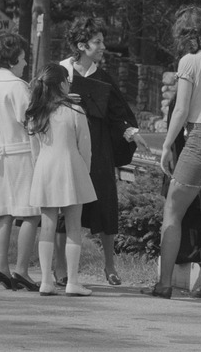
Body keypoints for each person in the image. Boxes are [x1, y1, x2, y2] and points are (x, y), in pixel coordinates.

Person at [142, 5, 201, 300]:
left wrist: (166, 145)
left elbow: (181, 109)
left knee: (172, 211)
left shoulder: (189, 61)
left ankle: (164, 284)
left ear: (185, 34)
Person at [55, 18, 150, 287]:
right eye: (97, 42)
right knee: (64, 207)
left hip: (98, 149)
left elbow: (118, 114)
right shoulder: (60, 73)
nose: (103, 47)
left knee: (105, 205)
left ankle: (109, 265)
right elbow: (41, 104)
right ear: (81, 45)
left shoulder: (104, 78)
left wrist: (132, 133)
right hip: (67, 148)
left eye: (102, 41)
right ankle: (60, 267)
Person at [0, 33, 40, 291]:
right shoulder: (17, 86)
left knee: (4, 213)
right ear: (12, 60)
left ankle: (1, 268)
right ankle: (21, 270)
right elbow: (31, 121)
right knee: (32, 213)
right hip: (18, 155)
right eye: (22, 58)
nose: (25, 63)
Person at [25, 63, 97, 296]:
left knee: (47, 226)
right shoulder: (75, 111)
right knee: (74, 226)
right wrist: (84, 172)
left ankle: (46, 281)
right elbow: (85, 148)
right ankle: (72, 281)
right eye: (68, 80)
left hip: (45, 170)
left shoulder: (36, 112)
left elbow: (35, 151)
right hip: (71, 169)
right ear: (62, 84)